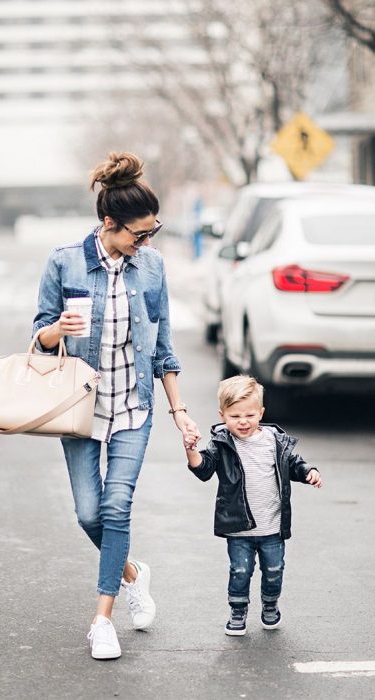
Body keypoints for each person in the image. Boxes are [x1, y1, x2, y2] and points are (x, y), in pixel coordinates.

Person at [33, 152, 200, 660]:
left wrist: (179, 411)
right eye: (139, 234)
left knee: (116, 505)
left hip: (134, 406)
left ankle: (102, 619)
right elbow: (37, 333)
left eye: (152, 232)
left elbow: (164, 345)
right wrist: (54, 331)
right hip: (79, 408)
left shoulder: (151, 268)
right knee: (89, 514)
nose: (146, 242)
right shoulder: (64, 262)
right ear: (110, 224)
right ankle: (131, 572)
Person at [184, 374, 321, 636]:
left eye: (249, 415)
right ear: (222, 415)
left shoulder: (274, 440)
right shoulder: (222, 443)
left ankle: (270, 606)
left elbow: (293, 463)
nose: (243, 422)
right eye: (235, 416)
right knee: (240, 571)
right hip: (239, 528)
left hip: (271, 527)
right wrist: (191, 450)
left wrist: (308, 471)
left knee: (274, 569)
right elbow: (203, 469)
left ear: (261, 412)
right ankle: (237, 611)